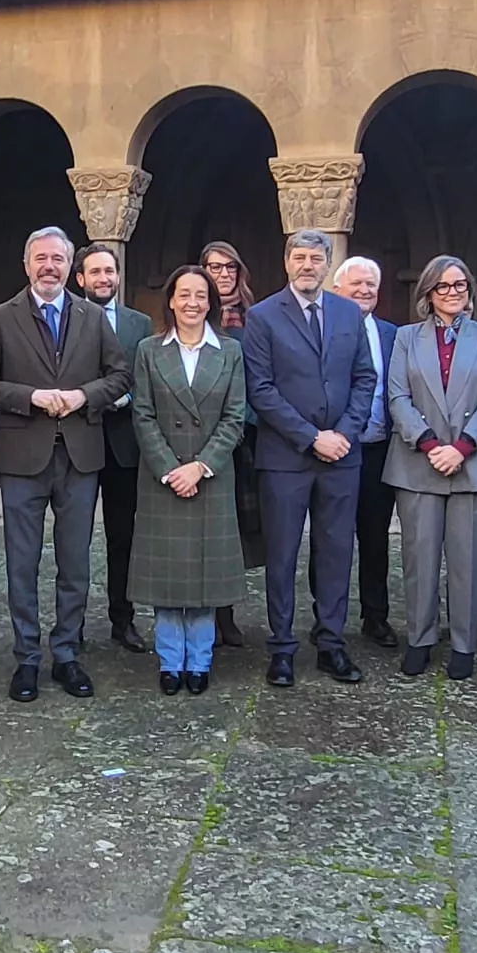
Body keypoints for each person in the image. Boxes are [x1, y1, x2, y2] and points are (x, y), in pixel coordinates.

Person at [0, 226, 131, 703]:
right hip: (22, 457)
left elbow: (119, 375)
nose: (49, 267)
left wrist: (83, 396)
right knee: (22, 563)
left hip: (79, 455)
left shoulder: (92, 316)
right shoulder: (1, 317)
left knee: (75, 562)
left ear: (69, 267)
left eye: (58, 259)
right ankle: (27, 658)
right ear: (26, 264)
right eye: (41, 258)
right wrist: (31, 397)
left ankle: (66, 653)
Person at [240, 229, 376, 688]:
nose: (306, 266)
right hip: (285, 456)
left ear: (327, 265)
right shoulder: (261, 317)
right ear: (286, 263)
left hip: (342, 455)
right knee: (282, 555)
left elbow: (364, 377)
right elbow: (259, 388)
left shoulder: (347, 313)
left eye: (316, 259)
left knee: (336, 551)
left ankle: (331, 642)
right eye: (299, 257)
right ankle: (281, 647)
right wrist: (310, 436)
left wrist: (344, 433)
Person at [384, 256, 477, 680]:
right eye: (443, 286)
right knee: (418, 557)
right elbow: (398, 396)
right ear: (427, 294)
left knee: (468, 558)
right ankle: (419, 638)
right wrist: (430, 444)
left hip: (474, 462)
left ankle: (464, 644)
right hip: (418, 461)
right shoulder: (405, 337)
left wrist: (461, 447)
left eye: (460, 286)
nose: (453, 293)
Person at [128, 265, 248, 696]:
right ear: (172, 301)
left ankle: (199, 661)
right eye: (185, 295)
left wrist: (200, 466)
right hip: (163, 477)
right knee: (168, 577)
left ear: (211, 303)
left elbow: (236, 416)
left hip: (211, 477)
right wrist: (170, 468)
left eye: (201, 295)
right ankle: (169, 660)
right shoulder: (148, 350)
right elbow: (141, 414)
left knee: (204, 578)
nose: (193, 303)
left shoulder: (230, 351)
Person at [313, 255, 400, 648]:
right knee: (329, 536)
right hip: (333, 448)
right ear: (337, 291)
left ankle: (375, 614)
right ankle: (324, 616)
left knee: (375, 535)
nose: (365, 291)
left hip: (379, 449)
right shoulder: (324, 330)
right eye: (356, 284)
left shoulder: (392, 335)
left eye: (371, 285)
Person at [76, 242, 151, 653]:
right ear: (81, 279)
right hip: (80, 440)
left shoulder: (139, 324)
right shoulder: (68, 318)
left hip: (124, 445)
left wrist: (123, 400)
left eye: (110, 271)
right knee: (75, 539)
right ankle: (74, 624)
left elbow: (147, 375)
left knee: (123, 537)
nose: (104, 278)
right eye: (96, 272)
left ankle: (123, 619)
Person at [201, 241, 258, 648]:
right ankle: (205, 613)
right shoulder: (193, 317)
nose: (222, 274)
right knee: (205, 529)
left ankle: (227, 613)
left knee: (235, 531)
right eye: (213, 267)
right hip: (201, 439)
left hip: (246, 440)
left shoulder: (256, 321)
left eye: (229, 267)